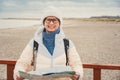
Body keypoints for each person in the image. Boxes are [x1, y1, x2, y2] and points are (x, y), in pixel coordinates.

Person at [13, 7, 83, 80]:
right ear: (43, 23)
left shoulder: (67, 43)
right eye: (48, 20)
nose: (51, 23)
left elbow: (76, 64)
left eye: (54, 20)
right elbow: (22, 63)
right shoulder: (34, 42)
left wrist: (78, 74)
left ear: (59, 23)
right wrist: (18, 74)